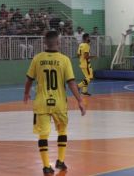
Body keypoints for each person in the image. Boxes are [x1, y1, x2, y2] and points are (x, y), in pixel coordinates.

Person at [23, 31, 86, 175]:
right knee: (62, 131)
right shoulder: (64, 60)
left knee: (43, 135)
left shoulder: (37, 59)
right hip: (59, 103)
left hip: (41, 103)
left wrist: (26, 93)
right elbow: (71, 83)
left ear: (45, 43)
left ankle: (46, 166)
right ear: (58, 43)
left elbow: (29, 79)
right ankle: (60, 161)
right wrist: (80, 100)